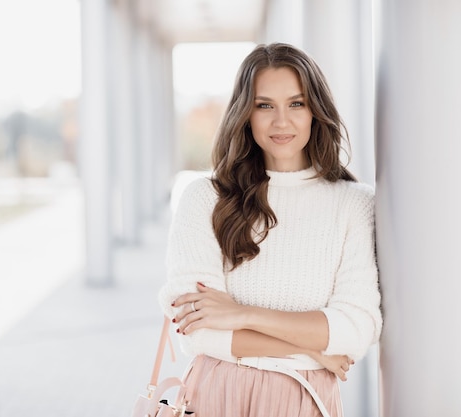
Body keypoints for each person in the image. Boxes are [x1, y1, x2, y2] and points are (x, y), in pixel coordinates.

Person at [158, 42, 382, 417]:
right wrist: (313, 348)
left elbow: (357, 328)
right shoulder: (205, 198)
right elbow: (197, 329)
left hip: (305, 400)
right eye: (265, 105)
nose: (281, 122)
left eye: (296, 103)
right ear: (245, 114)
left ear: (316, 111)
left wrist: (242, 314)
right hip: (216, 394)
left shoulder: (353, 203)